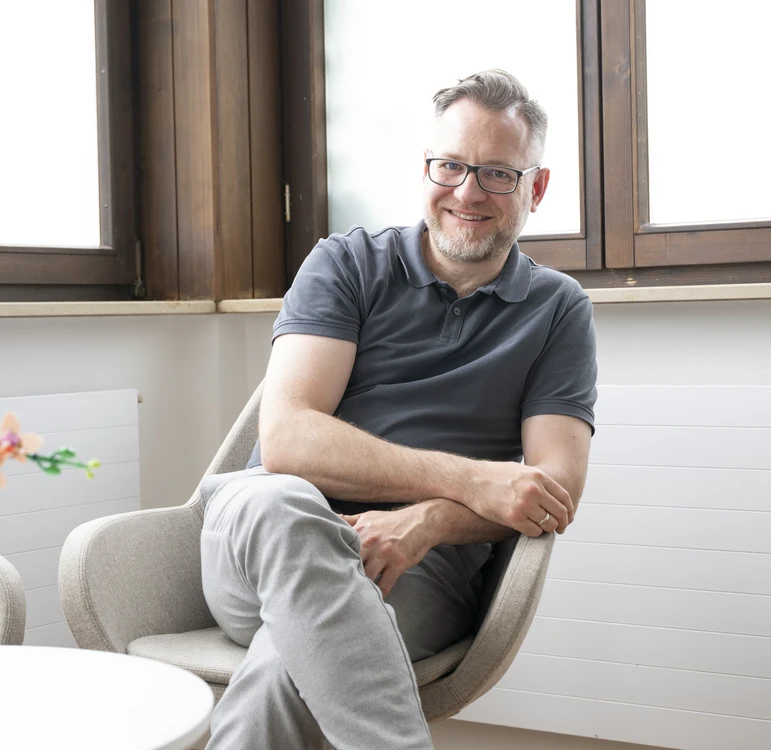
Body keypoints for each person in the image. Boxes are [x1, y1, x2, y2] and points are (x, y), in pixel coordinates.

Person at [199, 69, 598, 749]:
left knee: (283, 674)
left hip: (413, 568)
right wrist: (470, 480)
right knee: (282, 500)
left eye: (498, 174)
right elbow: (289, 440)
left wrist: (427, 523)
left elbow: (550, 492)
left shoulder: (557, 309)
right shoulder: (345, 263)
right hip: (259, 540)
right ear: (425, 168)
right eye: (451, 165)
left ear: (536, 188)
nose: (467, 192)